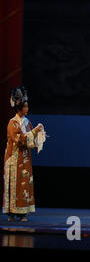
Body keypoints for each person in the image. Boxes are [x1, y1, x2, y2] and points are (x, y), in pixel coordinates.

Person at [3, 86, 45, 222]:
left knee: (24, 184)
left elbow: (30, 142)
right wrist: (33, 132)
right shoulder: (12, 124)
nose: (27, 109)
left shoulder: (27, 122)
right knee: (14, 184)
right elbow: (20, 140)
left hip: (25, 159)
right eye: (25, 106)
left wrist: (38, 135)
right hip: (14, 159)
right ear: (19, 108)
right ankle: (11, 212)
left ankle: (23, 213)